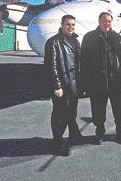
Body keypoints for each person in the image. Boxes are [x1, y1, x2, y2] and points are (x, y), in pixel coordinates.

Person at [81, 12, 121, 145]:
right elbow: (83, 61)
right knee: (97, 109)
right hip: (97, 81)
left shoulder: (116, 36)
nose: (107, 24)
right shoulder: (90, 37)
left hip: (114, 81)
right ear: (99, 21)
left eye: (109, 21)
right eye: (104, 21)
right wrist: (86, 82)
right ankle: (99, 132)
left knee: (118, 108)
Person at [44, 15, 82, 156]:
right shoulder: (53, 42)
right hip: (62, 86)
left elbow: (78, 63)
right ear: (61, 24)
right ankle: (58, 143)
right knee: (60, 115)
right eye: (68, 24)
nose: (71, 27)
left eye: (73, 24)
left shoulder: (75, 41)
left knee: (71, 112)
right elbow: (51, 66)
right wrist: (57, 86)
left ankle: (74, 135)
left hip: (74, 85)